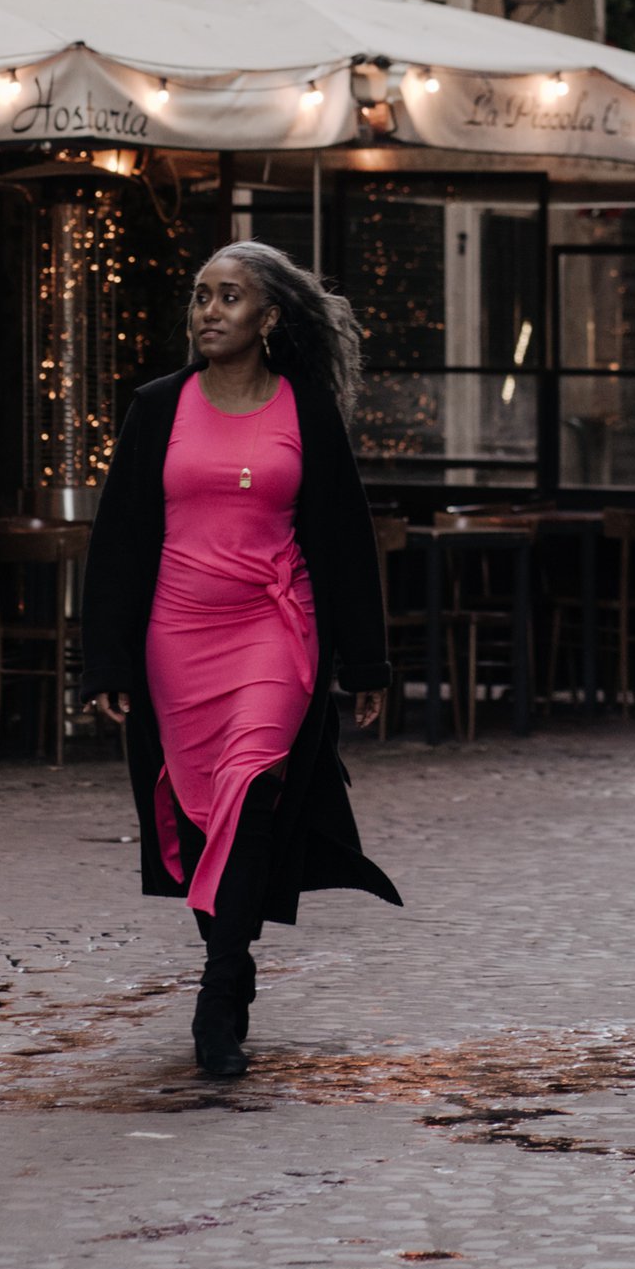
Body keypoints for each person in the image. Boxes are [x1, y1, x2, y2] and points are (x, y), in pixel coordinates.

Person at [82, 241, 400, 1079]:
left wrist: (367, 662)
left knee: (251, 794)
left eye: (229, 296)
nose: (209, 311)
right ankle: (232, 956)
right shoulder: (158, 407)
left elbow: (343, 539)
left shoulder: (306, 410)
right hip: (176, 637)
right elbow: (118, 540)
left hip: (274, 629)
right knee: (200, 814)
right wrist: (106, 660)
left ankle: (217, 994)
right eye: (200, 296)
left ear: (269, 317)